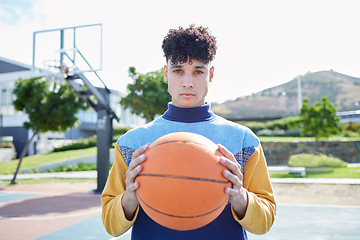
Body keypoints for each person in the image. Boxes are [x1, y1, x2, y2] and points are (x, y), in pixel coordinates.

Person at [101, 24, 276, 240]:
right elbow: (110, 225)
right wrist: (129, 198)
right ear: (166, 73)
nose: (187, 82)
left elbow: (265, 222)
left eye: (198, 72)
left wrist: (241, 198)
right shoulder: (132, 143)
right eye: (178, 71)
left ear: (210, 74)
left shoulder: (244, 140)